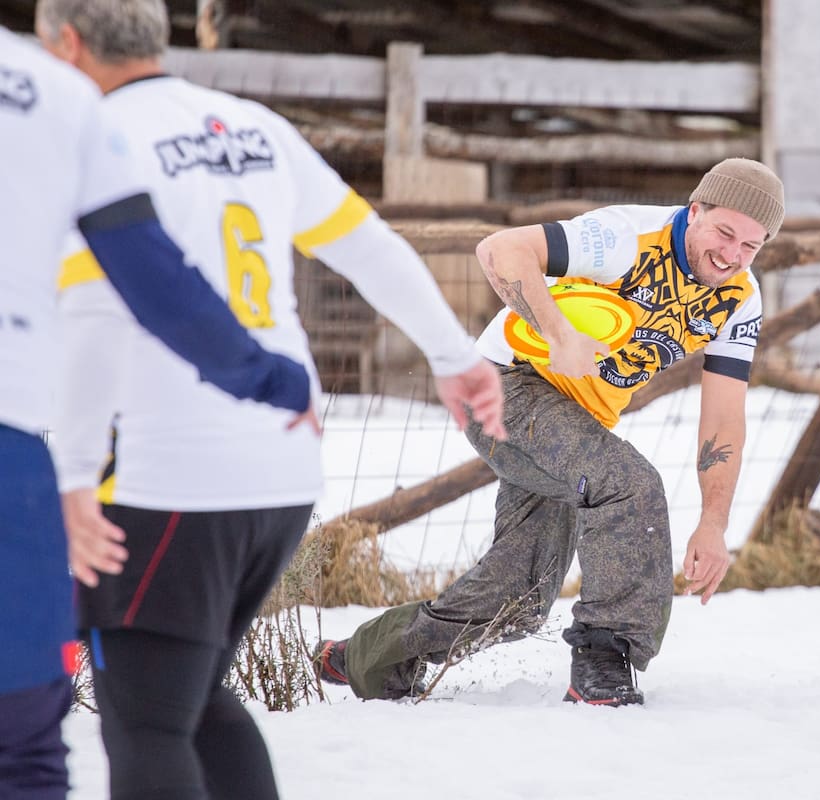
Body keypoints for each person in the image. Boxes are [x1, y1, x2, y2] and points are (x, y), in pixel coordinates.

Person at [35, 0, 506, 797]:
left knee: (143, 720)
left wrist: (76, 475)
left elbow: (98, 321)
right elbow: (368, 245)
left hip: (166, 472)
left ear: (68, 44)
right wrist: (452, 353)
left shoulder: (96, 142)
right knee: (194, 704)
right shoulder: (250, 126)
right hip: (282, 467)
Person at [315, 157, 783, 707]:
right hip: (502, 385)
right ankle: (604, 664)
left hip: (574, 422)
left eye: (751, 246)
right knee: (629, 483)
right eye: (725, 232)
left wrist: (713, 522)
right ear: (695, 209)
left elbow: (725, 417)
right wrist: (557, 332)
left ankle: (369, 658)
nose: (732, 255)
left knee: (525, 594)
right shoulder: (625, 238)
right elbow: (498, 249)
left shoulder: (739, 299)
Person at [0, 17, 322, 800]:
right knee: (33, 739)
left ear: (67, 33)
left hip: (136, 462)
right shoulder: (50, 93)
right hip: (32, 443)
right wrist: (270, 378)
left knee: (149, 710)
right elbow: (150, 282)